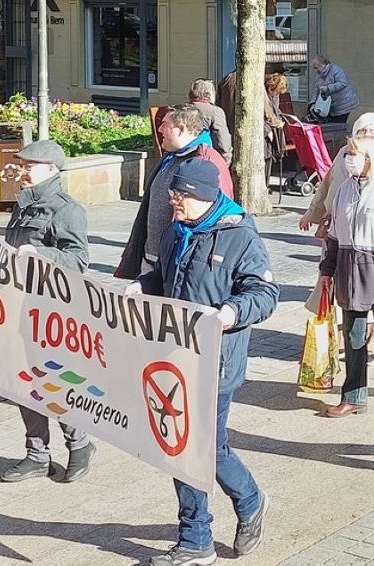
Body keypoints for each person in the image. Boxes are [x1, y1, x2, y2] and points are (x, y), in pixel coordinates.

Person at [132, 157, 277, 563]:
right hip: (175, 360)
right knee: (191, 448)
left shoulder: (240, 237)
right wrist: (141, 287)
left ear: (204, 197)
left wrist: (230, 313)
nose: (173, 201)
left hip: (216, 364)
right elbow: (165, 277)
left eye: (180, 196)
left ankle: (224, 518)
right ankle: (216, 524)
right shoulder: (177, 231)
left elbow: (264, 294)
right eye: (173, 194)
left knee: (199, 449)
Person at [0, 140, 94, 483]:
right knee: (23, 383)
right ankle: (37, 454)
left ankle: (79, 443)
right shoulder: (25, 204)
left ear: (51, 170)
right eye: (22, 165)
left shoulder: (66, 209)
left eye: (29, 167)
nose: (22, 172)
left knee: (53, 380)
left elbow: (78, 261)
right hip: (18, 305)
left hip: (50, 311)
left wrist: (43, 257)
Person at [318, 136, 374, 415]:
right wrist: (326, 272)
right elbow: (334, 235)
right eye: (347, 153)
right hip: (348, 271)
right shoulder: (344, 189)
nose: (349, 159)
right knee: (354, 337)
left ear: (370, 158)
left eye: (354, 154)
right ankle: (354, 396)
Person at [115, 106, 234, 279]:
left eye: (165, 124)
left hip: (179, 263)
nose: (160, 129)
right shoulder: (171, 156)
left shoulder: (205, 163)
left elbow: (217, 220)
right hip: (153, 259)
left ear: (181, 129)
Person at [298, 113, 374, 235]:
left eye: (373, 131)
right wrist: (311, 213)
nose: (368, 134)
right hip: (337, 221)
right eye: (363, 130)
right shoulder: (344, 154)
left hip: (371, 230)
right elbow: (327, 184)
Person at [188, 78, 232, 163]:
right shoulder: (215, 112)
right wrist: (225, 161)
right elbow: (222, 141)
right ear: (211, 94)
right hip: (205, 160)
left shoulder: (182, 110)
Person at [310, 55, 358, 124]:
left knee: (339, 125)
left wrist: (328, 88)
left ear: (323, 65)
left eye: (316, 68)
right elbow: (316, 90)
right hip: (332, 106)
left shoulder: (336, 70)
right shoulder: (319, 76)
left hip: (344, 104)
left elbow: (343, 83)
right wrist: (313, 103)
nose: (315, 70)